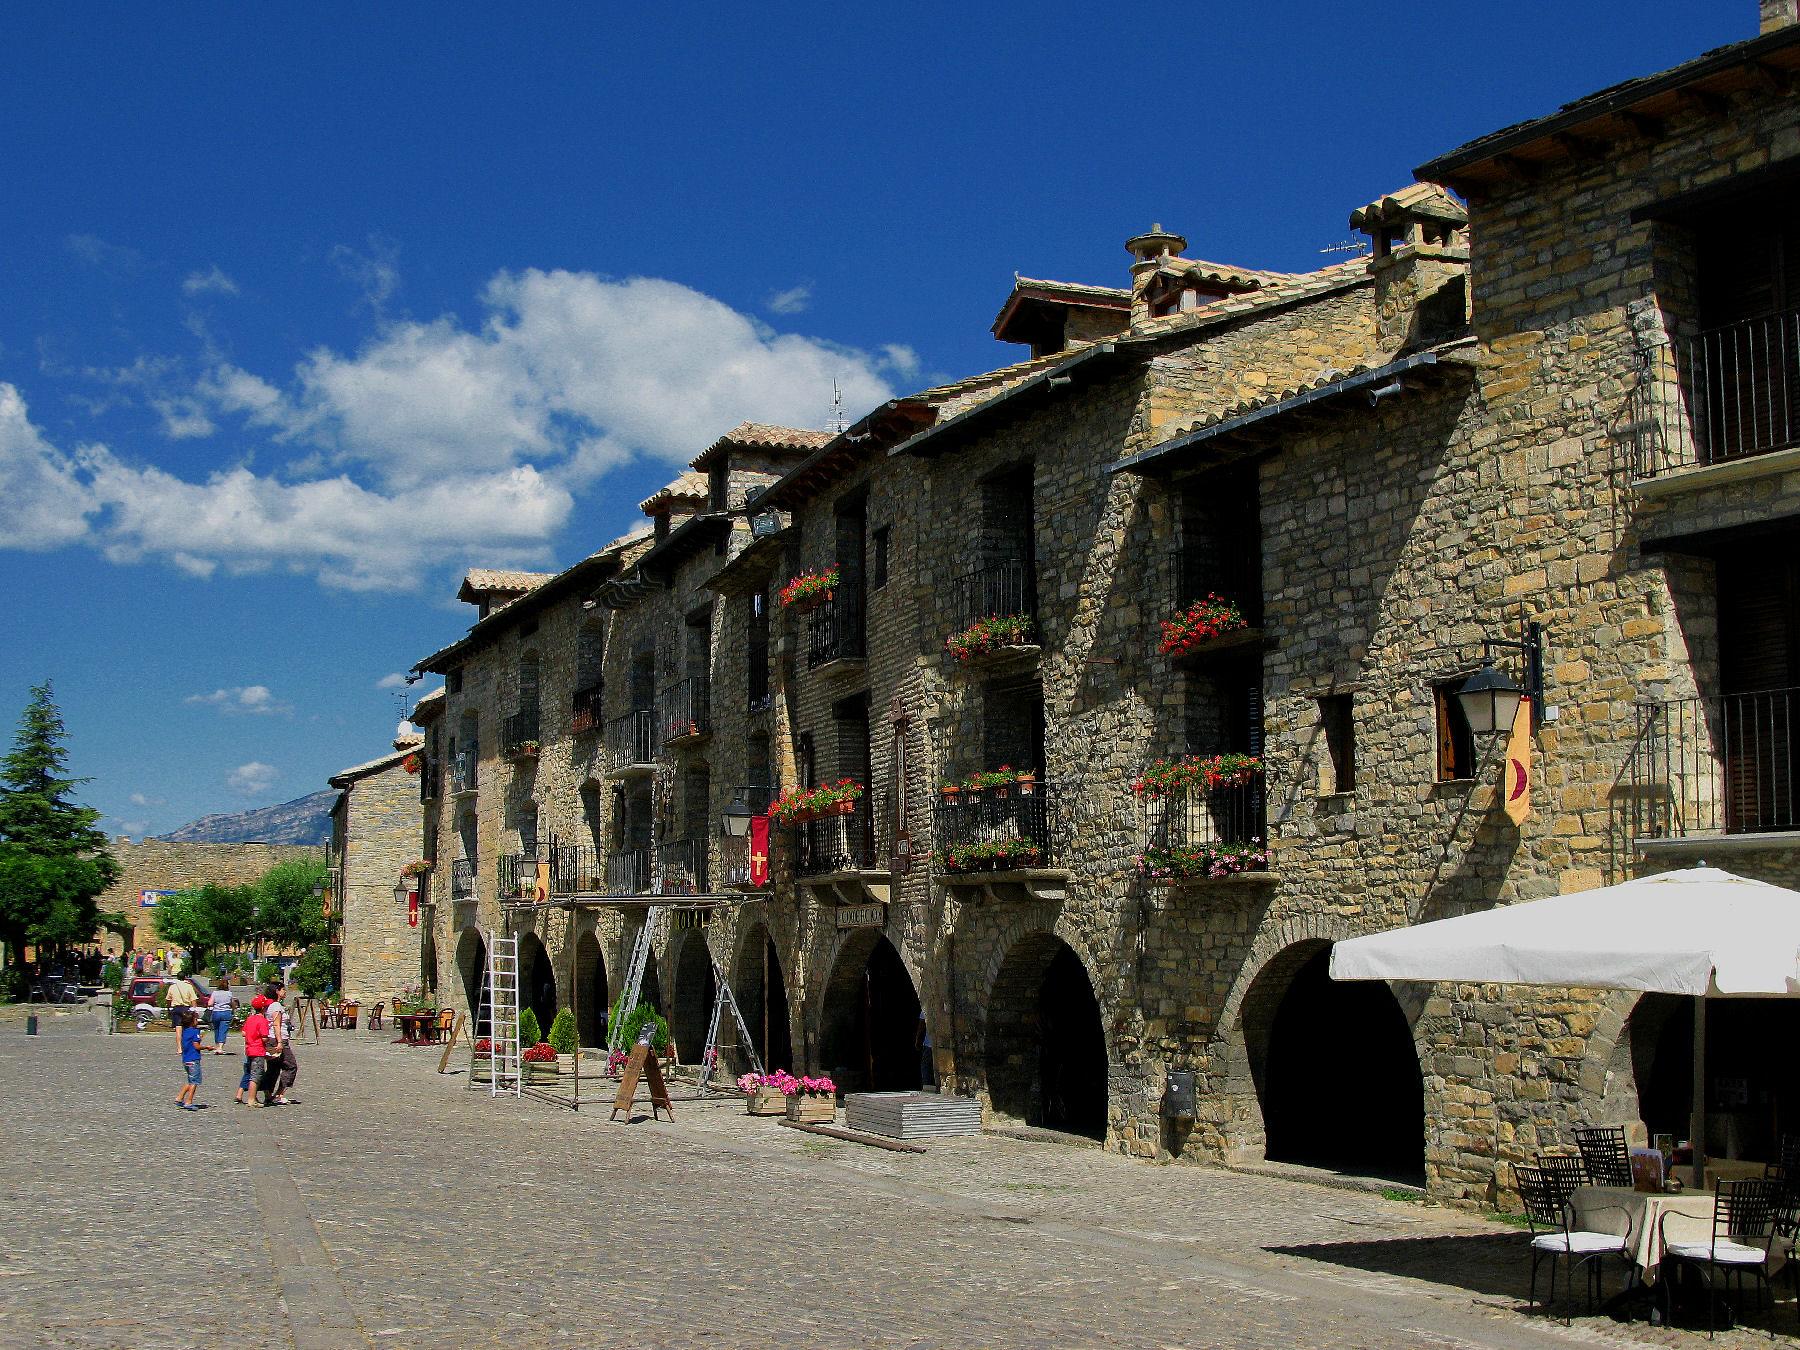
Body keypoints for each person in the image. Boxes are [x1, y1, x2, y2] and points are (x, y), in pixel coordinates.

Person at [261, 983, 299, 1106]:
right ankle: (279, 1094)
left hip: (271, 1038)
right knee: (291, 1065)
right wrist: (280, 1041)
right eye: (283, 989)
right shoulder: (276, 1006)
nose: (285, 992)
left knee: (273, 1068)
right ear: (277, 991)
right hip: (278, 1039)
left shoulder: (269, 1006)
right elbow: (277, 1024)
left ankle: (268, 1094)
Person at [237, 998, 270, 1106]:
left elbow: (243, 1033)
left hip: (249, 1049)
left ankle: (256, 1097)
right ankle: (251, 1099)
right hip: (258, 1050)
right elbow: (264, 1037)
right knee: (255, 1076)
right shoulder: (263, 1021)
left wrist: (251, 1036)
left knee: (252, 1072)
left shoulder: (250, 1018)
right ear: (264, 1008)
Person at [176, 1009, 203, 1110]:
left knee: (190, 1080)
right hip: (193, 1059)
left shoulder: (185, 1032)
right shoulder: (195, 1031)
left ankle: (179, 1098)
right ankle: (189, 1101)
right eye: (196, 1019)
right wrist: (206, 1047)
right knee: (194, 1082)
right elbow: (196, 1046)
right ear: (192, 1021)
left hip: (186, 1059)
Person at [206, 981, 234, 1055]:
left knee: (216, 1030)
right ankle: (220, 1047)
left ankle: (217, 1046)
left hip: (216, 1012)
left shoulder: (215, 993)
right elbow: (232, 1004)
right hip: (226, 1012)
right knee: (223, 1030)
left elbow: (210, 1003)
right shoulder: (229, 993)